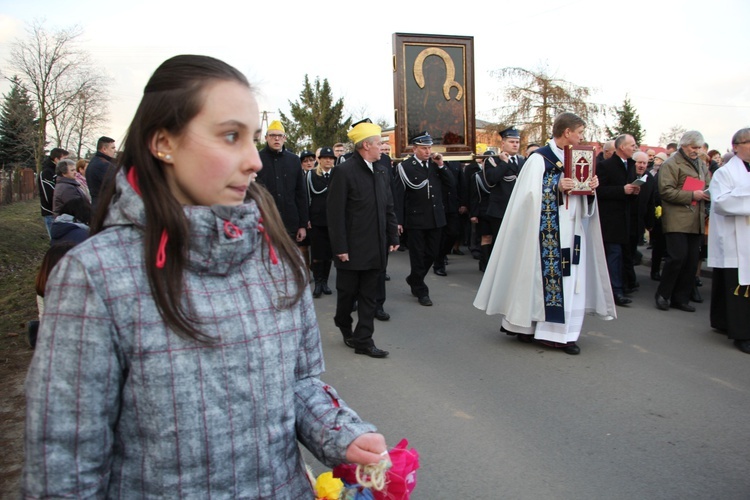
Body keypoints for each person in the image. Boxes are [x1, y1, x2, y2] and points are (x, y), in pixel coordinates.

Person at [23, 55, 387, 497]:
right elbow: (66, 465)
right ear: (163, 142)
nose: (254, 160)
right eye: (231, 136)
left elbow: (298, 382)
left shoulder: (278, 257)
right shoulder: (95, 275)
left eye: (253, 139)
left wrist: (344, 434)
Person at [474, 112, 615, 356]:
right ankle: (538, 330)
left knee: (569, 281)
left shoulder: (578, 158)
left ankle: (560, 332)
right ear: (567, 132)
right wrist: (556, 188)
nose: (582, 137)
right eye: (579, 132)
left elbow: (583, 199)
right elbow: (528, 199)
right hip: (545, 234)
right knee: (538, 280)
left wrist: (590, 189)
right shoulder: (540, 159)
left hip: (573, 229)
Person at [327, 119, 399, 358]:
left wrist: (392, 234)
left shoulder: (381, 170)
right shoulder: (344, 171)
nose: (382, 147)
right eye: (379, 143)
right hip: (351, 248)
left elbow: (388, 206)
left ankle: (363, 340)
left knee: (370, 295)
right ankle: (343, 323)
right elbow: (335, 214)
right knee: (347, 295)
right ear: (366, 145)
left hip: (376, 246)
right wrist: (340, 247)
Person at [393, 131, 455, 306]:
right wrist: (398, 220)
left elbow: (451, 184)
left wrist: (442, 165)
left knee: (434, 253)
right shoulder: (405, 167)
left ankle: (414, 278)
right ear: (414, 149)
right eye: (423, 148)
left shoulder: (434, 165)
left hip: (436, 218)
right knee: (418, 256)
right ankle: (421, 290)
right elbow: (399, 195)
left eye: (429, 148)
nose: (428, 151)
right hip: (416, 219)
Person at [655, 130, 710, 312]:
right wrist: (691, 195)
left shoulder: (701, 165)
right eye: (694, 147)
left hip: (696, 218)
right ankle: (663, 294)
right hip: (677, 218)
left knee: (691, 260)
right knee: (677, 258)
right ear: (683, 146)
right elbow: (665, 191)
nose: (697, 150)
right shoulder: (671, 164)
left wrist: (708, 193)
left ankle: (681, 297)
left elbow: (708, 184)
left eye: (699, 147)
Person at [708, 128, 750, 353]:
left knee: (730, 282)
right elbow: (722, 203)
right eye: (749, 142)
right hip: (734, 236)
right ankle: (742, 333)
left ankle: (721, 321)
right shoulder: (725, 173)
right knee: (738, 285)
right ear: (735, 146)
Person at [597, 134, 639, 305]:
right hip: (610, 219)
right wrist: (622, 190)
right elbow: (599, 191)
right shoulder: (605, 166)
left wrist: (634, 191)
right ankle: (615, 291)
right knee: (613, 255)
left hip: (625, 217)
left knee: (623, 254)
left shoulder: (631, 165)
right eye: (632, 145)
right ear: (622, 147)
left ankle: (623, 285)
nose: (634, 148)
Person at [255, 120, 309, 246]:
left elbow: (301, 193)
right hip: (265, 221)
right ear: (266, 137)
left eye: (280, 136)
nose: (276, 139)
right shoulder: (257, 159)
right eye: (273, 135)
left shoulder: (294, 160)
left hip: (290, 222)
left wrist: (303, 225)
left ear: (285, 138)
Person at [483, 126, 526, 257]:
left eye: (517, 142)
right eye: (511, 142)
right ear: (503, 143)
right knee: (499, 245)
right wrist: (504, 163)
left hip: (518, 209)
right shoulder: (492, 160)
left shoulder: (522, 161)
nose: (515, 145)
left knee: (517, 244)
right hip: (500, 210)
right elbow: (491, 180)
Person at [624, 151, 656, 289]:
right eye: (639, 162)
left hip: (639, 222)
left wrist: (650, 222)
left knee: (631, 251)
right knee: (624, 253)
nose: (642, 166)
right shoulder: (627, 175)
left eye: (645, 163)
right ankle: (628, 281)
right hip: (625, 221)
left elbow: (651, 202)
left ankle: (629, 279)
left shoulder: (649, 178)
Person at [308, 146, 336, 298]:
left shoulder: (337, 174)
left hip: (332, 220)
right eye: (325, 158)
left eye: (331, 158)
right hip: (317, 220)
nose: (328, 160)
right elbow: (307, 197)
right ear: (319, 160)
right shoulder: (311, 175)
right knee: (318, 253)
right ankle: (318, 283)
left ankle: (325, 282)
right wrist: (306, 218)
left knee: (329, 254)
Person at [38, 147, 69, 237]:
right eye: (64, 159)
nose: (66, 162)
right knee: (56, 241)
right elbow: (49, 195)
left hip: (61, 212)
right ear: (56, 159)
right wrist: (58, 208)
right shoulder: (47, 173)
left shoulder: (60, 171)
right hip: (51, 213)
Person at [86, 135, 117, 211]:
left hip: (98, 205)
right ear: (104, 149)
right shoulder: (103, 165)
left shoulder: (94, 162)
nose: (115, 150)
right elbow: (115, 185)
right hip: (105, 207)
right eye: (112, 148)